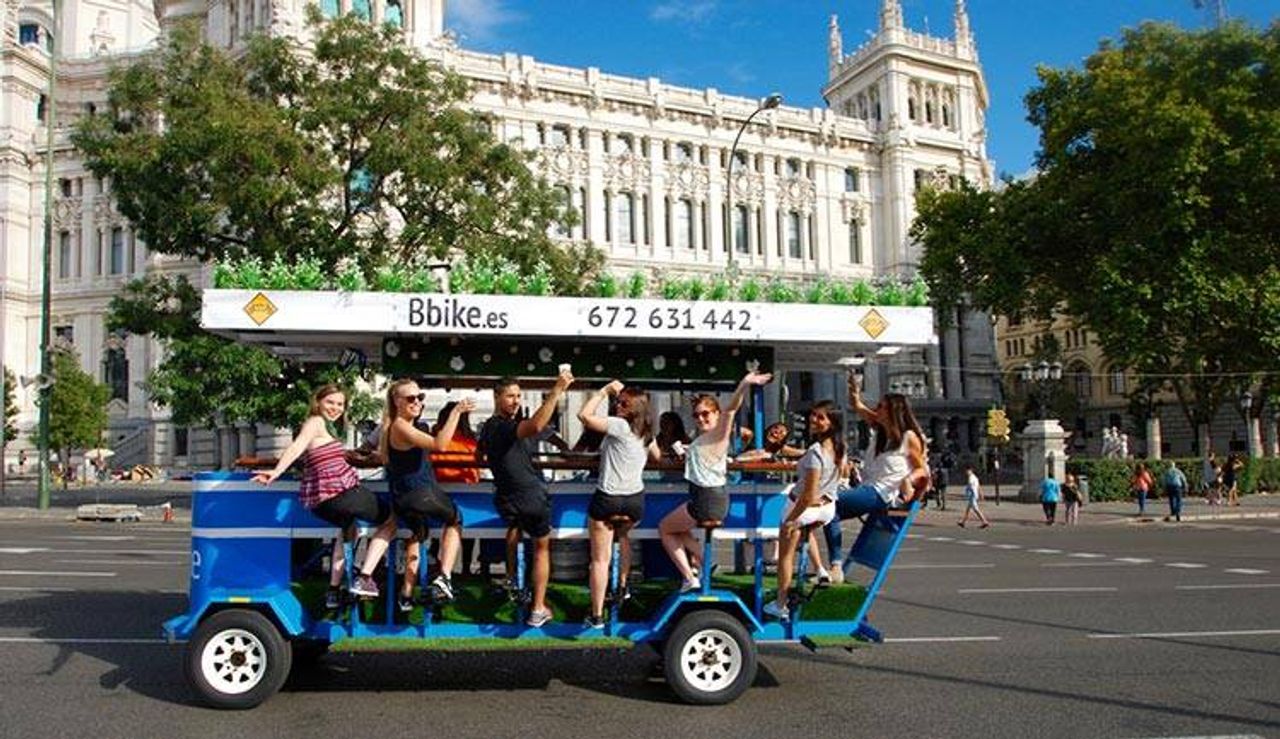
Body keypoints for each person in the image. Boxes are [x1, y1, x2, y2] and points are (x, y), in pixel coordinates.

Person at [252, 384, 396, 607]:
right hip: (343, 493)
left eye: (340, 404)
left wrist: (361, 453)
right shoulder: (315, 422)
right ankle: (365, 578)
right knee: (390, 521)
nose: (335, 408)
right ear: (317, 402)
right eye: (330, 402)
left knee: (350, 530)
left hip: (322, 501)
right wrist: (277, 472)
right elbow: (297, 446)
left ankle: (333, 590)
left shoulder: (327, 428)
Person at [659, 371, 773, 593]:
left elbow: (731, 410)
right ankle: (703, 563)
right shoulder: (703, 438)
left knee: (665, 528)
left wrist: (745, 382)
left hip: (707, 500)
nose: (701, 418)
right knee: (677, 530)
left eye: (706, 414)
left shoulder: (719, 433)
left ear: (716, 414)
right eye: (696, 415)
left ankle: (690, 577)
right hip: (709, 498)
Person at [477, 370, 573, 627]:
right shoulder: (502, 426)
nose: (516, 400)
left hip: (507, 498)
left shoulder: (488, 427)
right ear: (497, 397)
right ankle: (538, 607)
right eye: (510, 396)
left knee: (515, 528)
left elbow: (478, 456)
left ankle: (512, 578)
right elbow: (537, 426)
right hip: (529, 495)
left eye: (518, 396)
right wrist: (557, 390)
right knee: (542, 548)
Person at [380, 380, 476, 611]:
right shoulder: (401, 426)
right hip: (420, 492)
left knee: (418, 535)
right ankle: (444, 576)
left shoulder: (392, 426)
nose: (417, 402)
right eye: (410, 398)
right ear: (397, 401)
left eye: (420, 397)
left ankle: (406, 595)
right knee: (455, 519)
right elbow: (440, 444)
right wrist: (456, 412)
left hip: (402, 498)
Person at [825, 375, 929, 577]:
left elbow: (922, 470)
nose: (877, 409)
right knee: (824, 510)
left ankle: (835, 565)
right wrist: (854, 389)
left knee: (830, 504)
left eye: (881, 406)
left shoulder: (909, 437)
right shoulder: (881, 429)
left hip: (882, 493)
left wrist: (907, 480)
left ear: (893, 411)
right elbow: (857, 405)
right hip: (869, 488)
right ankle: (828, 566)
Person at [578, 380, 659, 628]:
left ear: (633, 408)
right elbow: (657, 457)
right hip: (635, 501)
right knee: (623, 537)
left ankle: (596, 614)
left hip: (608, 498)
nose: (617, 405)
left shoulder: (619, 426)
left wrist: (602, 392)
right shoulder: (647, 431)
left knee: (600, 560)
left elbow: (584, 416)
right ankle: (622, 586)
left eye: (623, 403)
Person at [765, 401, 844, 620]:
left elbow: (807, 494)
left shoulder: (816, 452)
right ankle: (819, 571)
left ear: (832, 423)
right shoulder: (838, 447)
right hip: (827, 508)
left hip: (804, 507)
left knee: (785, 556)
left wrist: (791, 519)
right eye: (813, 416)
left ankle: (780, 604)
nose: (813, 420)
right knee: (804, 534)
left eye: (820, 417)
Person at [431, 401, 482, 574]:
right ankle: (467, 567)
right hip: (468, 491)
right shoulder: (470, 442)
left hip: (439, 491)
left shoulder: (435, 439)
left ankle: (437, 563)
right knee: (468, 530)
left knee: (438, 533)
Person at [734, 421, 805, 462]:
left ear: (781, 440)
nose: (776, 432)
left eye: (781, 433)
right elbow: (739, 430)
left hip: (761, 476)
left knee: (767, 455)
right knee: (763, 453)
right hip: (741, 463)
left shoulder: (779, 448)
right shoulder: (754, 437)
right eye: (775, 428)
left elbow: (800, 452)